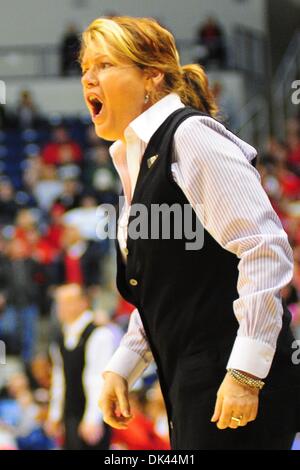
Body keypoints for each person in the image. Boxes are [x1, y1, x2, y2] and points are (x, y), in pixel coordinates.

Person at [80, 16, 300, 450]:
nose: (88, 77)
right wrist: (122, 366)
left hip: (234, 381)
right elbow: (167, 291)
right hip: (194, 382)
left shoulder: (191, 136)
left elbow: (265, 248)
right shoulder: (136, 158)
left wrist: (246, 372)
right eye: (85, 67)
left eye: (104, 64)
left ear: (152, 75)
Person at [45, 284, 115, 450]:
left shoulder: (99, 334)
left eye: (67, 302)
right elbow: (59, 378)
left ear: (83, 302)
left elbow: (99, 379)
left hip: (93, 414)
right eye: (59, 303)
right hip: (70, 414)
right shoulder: (60, 337)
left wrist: (92, 419)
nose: (60, 308)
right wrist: (55, 414)